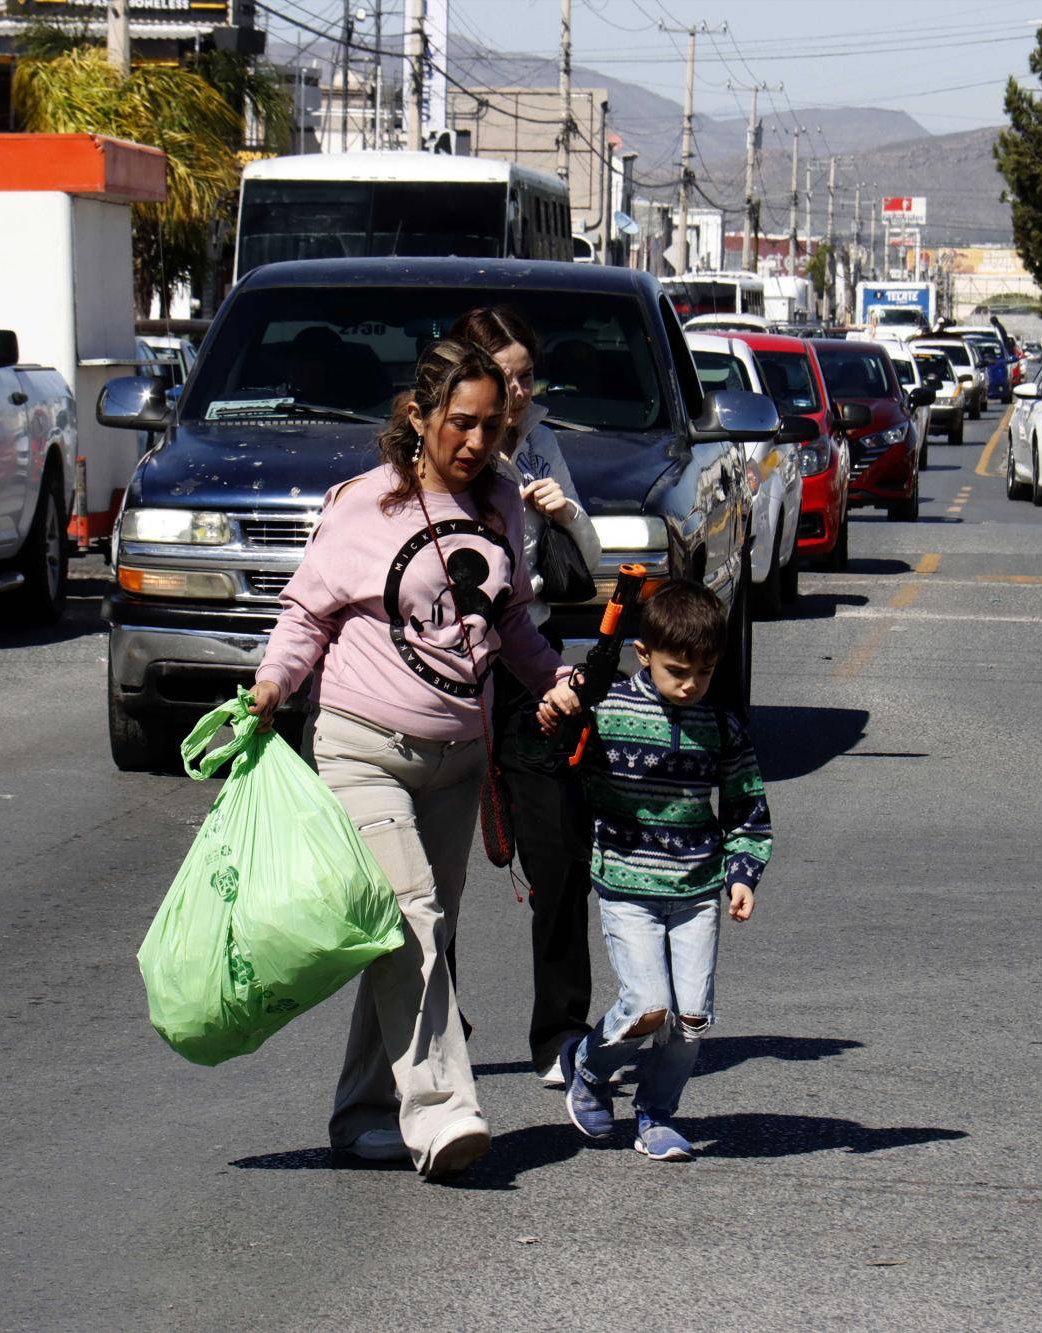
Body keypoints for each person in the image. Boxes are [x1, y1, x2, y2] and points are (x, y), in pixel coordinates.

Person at [248, 339, 576, 1181]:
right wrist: (274, 680)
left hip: (458, 759)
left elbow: (508, 629)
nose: (475, 442)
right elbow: (305, 613)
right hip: (362, 747)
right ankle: (442, 1114)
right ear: (419, 417)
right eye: (460, 423)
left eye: (491, 426)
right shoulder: (366, 505)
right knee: (414, 923)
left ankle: (363, 1114)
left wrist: (555, 680)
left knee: (400, 935)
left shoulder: (501, 501)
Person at [538, 580, 773, 1162]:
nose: (690, 684)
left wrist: (743, 873)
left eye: (704, 671)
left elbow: (747, 805)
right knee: (647, 1007)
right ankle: (588, 1070)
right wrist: (562, 702)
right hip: (627, 887)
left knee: (691, 1019)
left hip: (697, 891)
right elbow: (556, 748)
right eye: (677, 670)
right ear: (643, 653)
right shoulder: (608, 707)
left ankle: (657, 1113)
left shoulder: (720, 726)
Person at [447, 306, 604, 1089]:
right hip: (446, 671)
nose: (514, 392)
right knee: (432, 870)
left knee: (559, 851)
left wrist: (563, 514)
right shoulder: (448, 451)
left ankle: (562, 1030)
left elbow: (592, 553)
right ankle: (437, 1019)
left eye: (524, 376)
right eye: (500, 376)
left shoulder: (539, 443)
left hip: (532, 662)